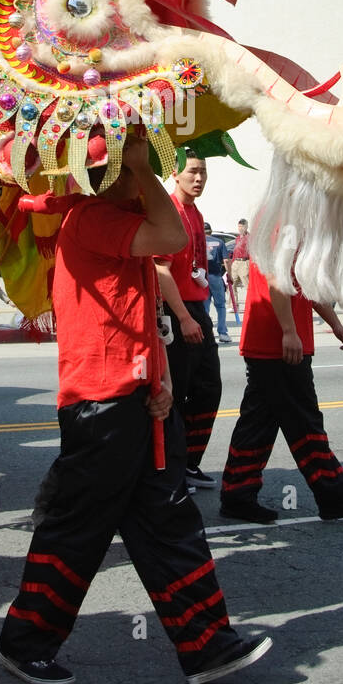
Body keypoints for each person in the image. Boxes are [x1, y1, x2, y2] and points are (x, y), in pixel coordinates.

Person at [0, 136, 271, 684]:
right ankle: (24, 643)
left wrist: (162, 377)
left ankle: (207, 646)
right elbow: (170, 236)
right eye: (130, 167)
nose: (142, 175)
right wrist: (147, 171)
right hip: (100, 403)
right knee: (78, 529)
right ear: (114, 174)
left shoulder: (115, 216)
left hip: (138, 398)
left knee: (167, 520)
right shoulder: (92, 217)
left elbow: (141, 313)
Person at [220, 261, 343, 522]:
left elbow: (307, 286)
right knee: (304, 422)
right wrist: (289, 331)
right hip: (277, 344)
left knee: (259, 424)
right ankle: (334, 497)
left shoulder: (294, 226)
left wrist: (336, 324)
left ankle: (237, 494)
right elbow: (276, 280)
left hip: (274, 342)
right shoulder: (284, 224)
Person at [155, 153, 223, 490]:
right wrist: (182, 318)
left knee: (208, 388)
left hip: (197, 311)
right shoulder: (168, 210)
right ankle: (171, 468)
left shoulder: (195, 213)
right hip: (175, 313)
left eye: (204, 172)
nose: (199, 179)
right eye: (193, 172)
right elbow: (159, 268)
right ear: (174, 174)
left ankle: (189, 462)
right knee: (176, 392)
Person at [203, 222, 232, 345]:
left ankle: (206, 332)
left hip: (202, 277)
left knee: (205, 307)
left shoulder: (198, 242)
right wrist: (229, 275)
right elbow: (226, 260)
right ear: (211, 231)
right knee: (220, 306)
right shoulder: (219, 242)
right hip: (216, 276)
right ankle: (222, 333)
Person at [228, 218, 250, 302]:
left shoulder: (249, 238)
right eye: (239, 226)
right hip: (236, 262)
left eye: (242, 226)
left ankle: (251, 303)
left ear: (246, 227)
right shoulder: (237, 238)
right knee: (232, 284)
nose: (240, 228)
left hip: (244, 262)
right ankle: (233, 305)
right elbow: (235, 252)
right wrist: (232, 263)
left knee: (247, 285)